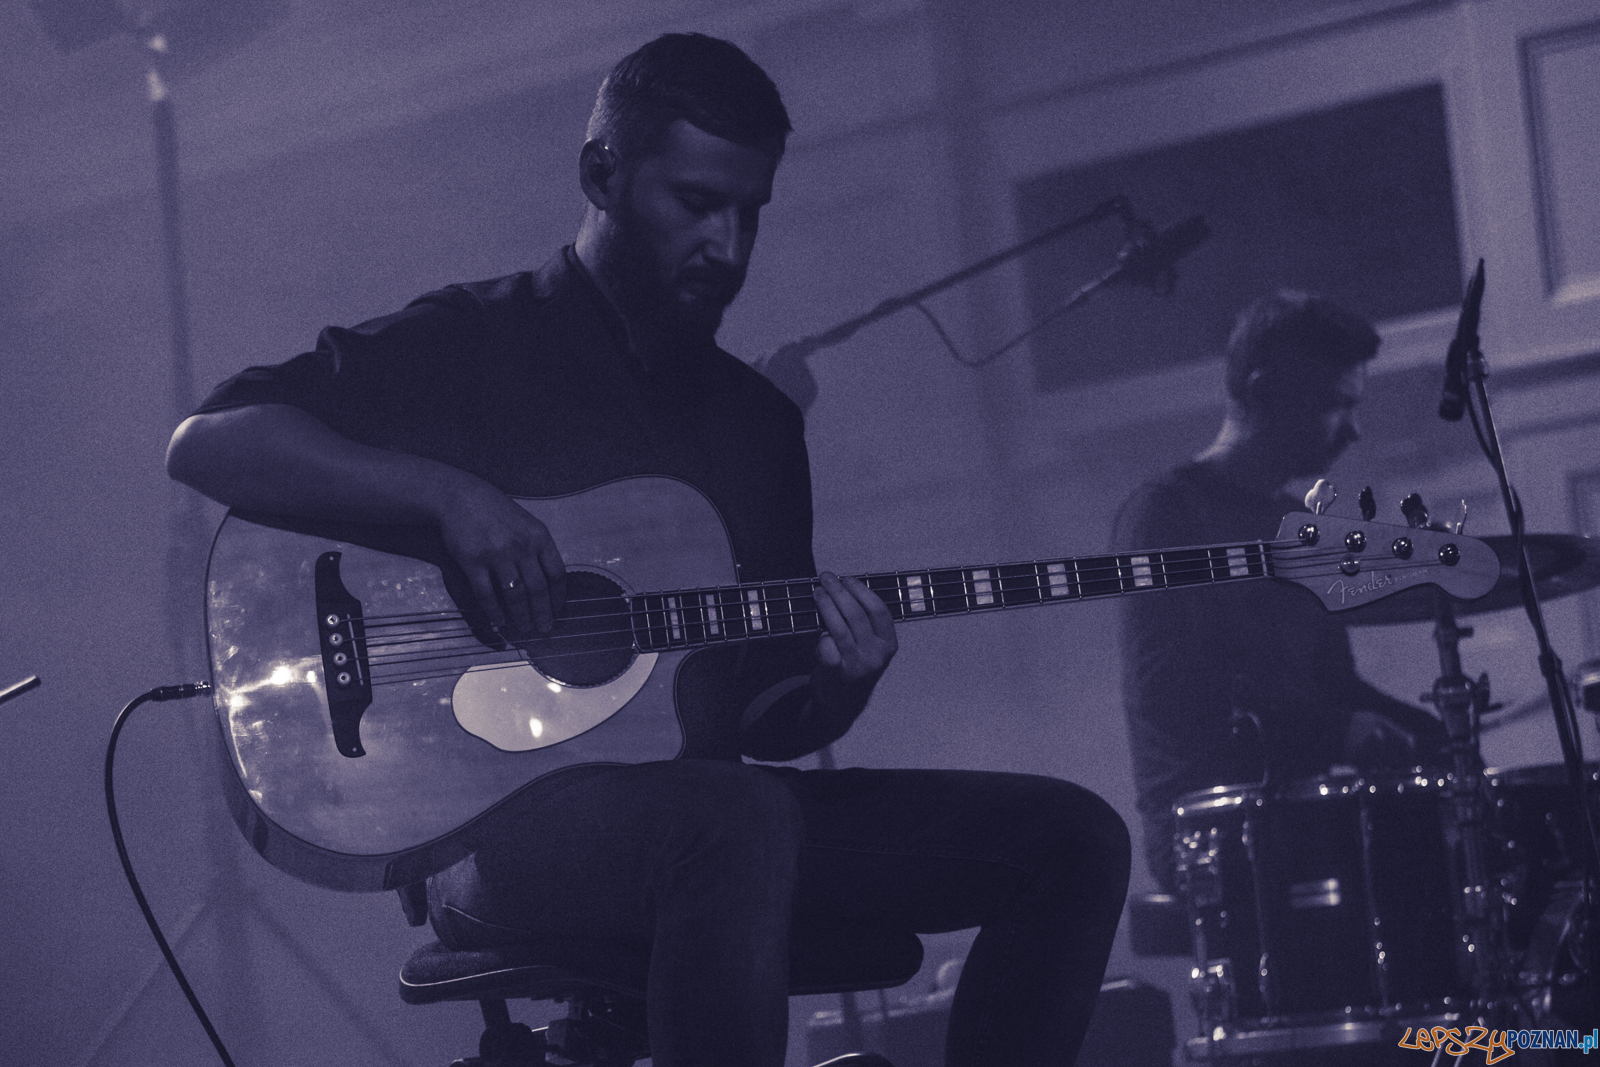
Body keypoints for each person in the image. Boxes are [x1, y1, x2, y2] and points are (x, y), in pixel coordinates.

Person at [167, 33, 1129, 1067]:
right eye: (695, 202)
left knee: (1071, 834)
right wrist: (452, 495)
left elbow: (755, 713)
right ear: (601, 175)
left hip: (710, 814)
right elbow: (212, 442)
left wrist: (838, 684)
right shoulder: (476, 339)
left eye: (750, 210)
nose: (728, 244)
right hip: (495, 835)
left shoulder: (756, 424)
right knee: (736, 816)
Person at [1111, 290, 1445, 891]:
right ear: (1265, 392)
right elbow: (1170, 691)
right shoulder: (1165, 515)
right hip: (1212, 828)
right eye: (1334, 406)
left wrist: (1426, 732)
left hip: (1300, 808)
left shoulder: (1299, 527)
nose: (1354, 431)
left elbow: (1333, 687)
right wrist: (1333, 732)